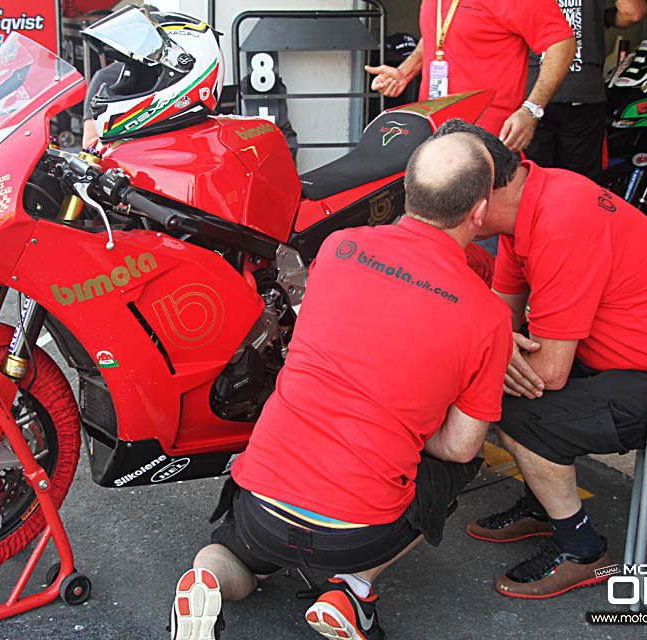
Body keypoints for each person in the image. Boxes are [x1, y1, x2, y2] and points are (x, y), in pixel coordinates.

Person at [169, 131, 513, 640]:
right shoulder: (488, 316)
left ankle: (206, 582)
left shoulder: (339, 248)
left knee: (231, 554)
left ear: (404, 191)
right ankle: (352, 589)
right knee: (461, 465)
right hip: (358, 530)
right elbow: (460, 448)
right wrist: (412, 427)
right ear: (480, 212)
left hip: (263, 500)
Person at [441, 120, 647, 599]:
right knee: (504, 388)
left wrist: (482, 365)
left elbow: (547, 372)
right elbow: (501, 320)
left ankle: (581, 550)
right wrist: (495, 349)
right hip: (632, 364)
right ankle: (542, 503)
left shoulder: (561, 223)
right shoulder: (529, 200)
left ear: (474, 203)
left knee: (517, 411)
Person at [364, 0, 577, 152]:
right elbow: (437, 34)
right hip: (435, 134)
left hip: (487, 141)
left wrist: (532, 109)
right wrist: (405, 72)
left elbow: (562, 43)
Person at [523, 0, 647, 180]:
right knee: (579, 186)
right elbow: (632, 12)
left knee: (532, 184)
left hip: (532, 91)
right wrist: (601, 18)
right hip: (582, 90)